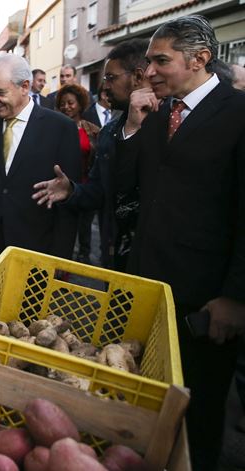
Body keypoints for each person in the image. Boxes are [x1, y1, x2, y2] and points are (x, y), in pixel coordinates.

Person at [114, 15, 245, 469]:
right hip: (149, 286)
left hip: (205, 299)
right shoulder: (157, 113)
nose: (148, 71)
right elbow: (124, 187)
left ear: (200, 59)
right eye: (148, 61)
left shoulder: (239, 114)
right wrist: (131, 128)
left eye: (160, 60)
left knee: (198, 414)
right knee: (149, 401)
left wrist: (233, 295)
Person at [31, 38, 149, 271]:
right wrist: (72, 190)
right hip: (116, 260)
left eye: (111, 78)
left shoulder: (167, 126)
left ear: (137, 77)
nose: (104, 87)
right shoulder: (109, 134)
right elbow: (99, 192)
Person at [0, 53, 80, 267]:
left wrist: (61, 259)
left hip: (36, 252)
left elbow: (68, 204)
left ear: (25, 87)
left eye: (0, 93)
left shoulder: (61, 129)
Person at [56, 84, 99, 265]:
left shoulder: (92, 130)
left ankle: (83, 254)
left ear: (80, 105)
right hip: (59, 186)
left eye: (71, 103)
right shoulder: (54, 128)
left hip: (84, 184)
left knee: (84, 224)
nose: (66, 107)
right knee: (63, 227)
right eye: (63, 103)